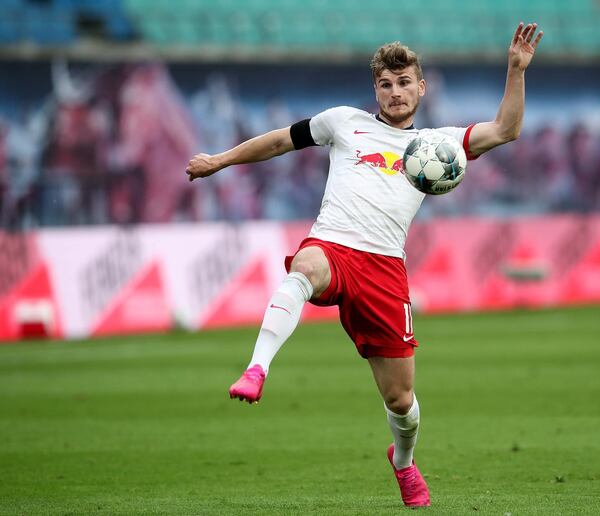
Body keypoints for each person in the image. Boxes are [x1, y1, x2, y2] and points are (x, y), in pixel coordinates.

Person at [185, 22, 543, 508]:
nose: (395, 92)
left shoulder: (439, 145)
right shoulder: (343, 122)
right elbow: (277, 142)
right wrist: (220, 161)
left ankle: (403, 461)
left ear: (421, 86)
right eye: (385, 84)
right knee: (304, 269)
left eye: (404, 82)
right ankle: (256, 368)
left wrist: (516, 71)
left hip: (384, 271)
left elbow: (506, 129)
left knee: (401, 401)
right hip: (332, 245)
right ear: (375, 88)